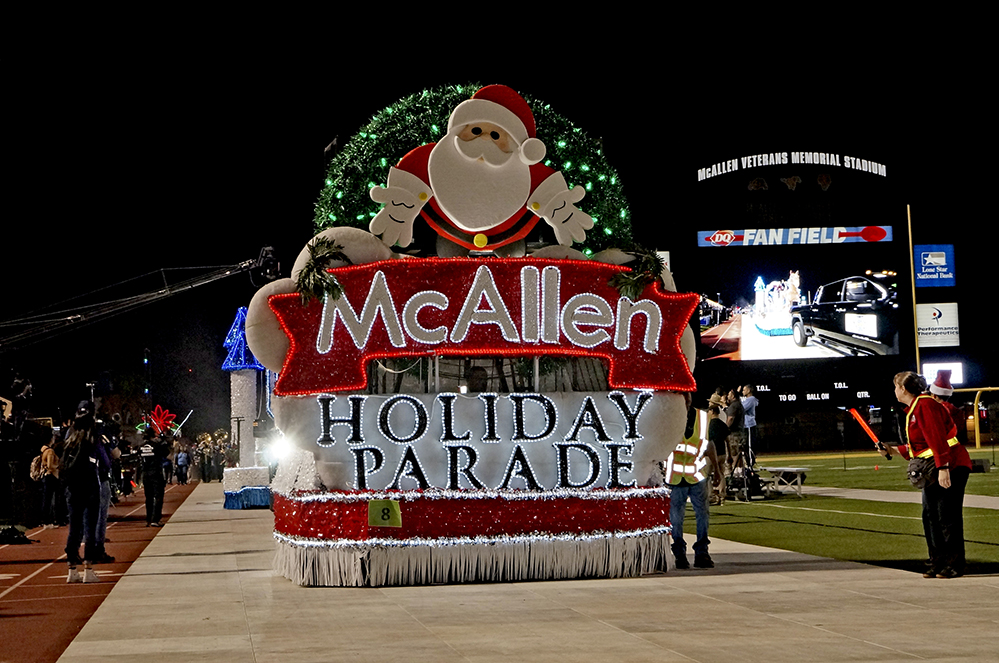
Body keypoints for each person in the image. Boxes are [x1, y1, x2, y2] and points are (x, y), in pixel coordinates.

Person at [880, 371, 971, 579]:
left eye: (896, 386)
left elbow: (937, 438)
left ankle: (954, 564)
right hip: (934, 467)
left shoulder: (925, 405)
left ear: (903, 389)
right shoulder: (916, 407)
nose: (894, 391)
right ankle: (937, 561)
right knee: (930, 516)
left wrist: (943, 468)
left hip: (950, 466)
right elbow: (920, 446)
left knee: (946, 517)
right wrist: (892, 450)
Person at [665, 397, 724, 569]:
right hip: (676, 477)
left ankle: (701, 552)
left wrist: (717, 470)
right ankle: (680, 554)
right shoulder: (669, 417)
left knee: (702, 515)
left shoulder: (703, 418)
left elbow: (708, 444)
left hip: (696, 475)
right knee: (676, 519)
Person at [61, 401, 102, 583]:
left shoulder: (70, 438)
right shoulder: (92, 437)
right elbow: (101, 457)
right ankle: (89, 569)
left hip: (72, 488)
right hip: (90, 486)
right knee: (90, 529)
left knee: (74, 528)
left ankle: (71, 569)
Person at [139, 428, 169, 527]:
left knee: (149, 497)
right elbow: (166, 453)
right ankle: (155, 519)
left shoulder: (141, 447)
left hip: (145, 473)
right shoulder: (156, 446)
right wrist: (163, 441)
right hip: (156, 472)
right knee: (158, 496)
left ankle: (148, 518)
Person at [741, 384, 759, 462]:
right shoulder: (748, 399)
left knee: (749, 445)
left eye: (744, 390)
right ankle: (749, 462)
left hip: (749, 425)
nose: (743, 392)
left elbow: (741, 409)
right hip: (746, 425)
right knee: (746, 445)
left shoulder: (751, 399)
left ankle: (750, 463)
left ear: (749, 390)